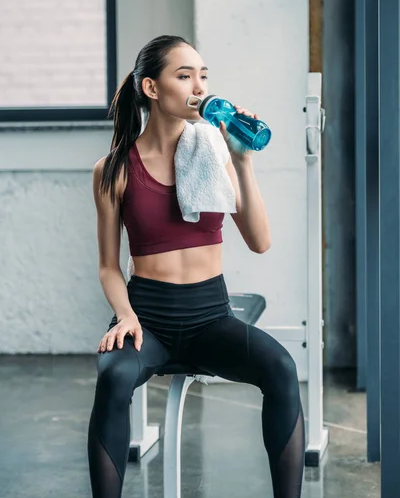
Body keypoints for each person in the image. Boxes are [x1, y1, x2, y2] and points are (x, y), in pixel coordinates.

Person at [87, 35, 305, 498]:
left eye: (203, 76)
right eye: (184, 76)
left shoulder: (214, 154)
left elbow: (260, 242)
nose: (198, 87)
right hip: (148, 319)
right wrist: (125, 315)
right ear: (151, 87)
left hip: (211, 317)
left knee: (282, 369)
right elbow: (108, 265)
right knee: (114, 376)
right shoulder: (113, 170)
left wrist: (242, 162)